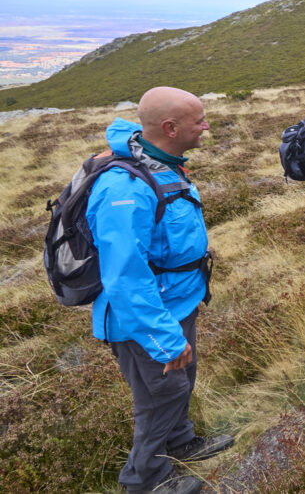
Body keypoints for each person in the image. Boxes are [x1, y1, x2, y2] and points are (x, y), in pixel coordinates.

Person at [87, 87, 233, 494]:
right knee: (160, 394)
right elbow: (126, 279)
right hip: (146, 315)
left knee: (181, 381)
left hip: (178, 300)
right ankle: (145, 479)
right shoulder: (124, 191)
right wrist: (164, 340)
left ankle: (181, 442)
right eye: (199, 120)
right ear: (170, 128)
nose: (206, 126)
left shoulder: (161, 162)